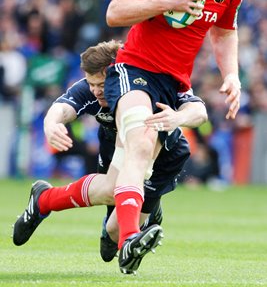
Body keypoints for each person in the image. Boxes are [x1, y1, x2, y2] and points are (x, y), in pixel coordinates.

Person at [104, 0, 243, 274]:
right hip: (134, 69)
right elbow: (114, 13)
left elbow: (225, 33)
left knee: (116, 188)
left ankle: (62, 208)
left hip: (176, 85)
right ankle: (130, 241)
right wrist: (166, 1)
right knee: (140, 142)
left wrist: (232, 76)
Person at [12, 40, 208, 265]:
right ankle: (45, 201)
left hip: (166, 157)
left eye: (101, 84)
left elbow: (199, 111)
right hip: (117, 146)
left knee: (112, 234)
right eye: (91, 83)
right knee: (110, 193)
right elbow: (63, 106)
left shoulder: (154, 79)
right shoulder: (92, 89)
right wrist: (51, 122)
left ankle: (127, 227)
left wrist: (178, 117)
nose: (96, 90)